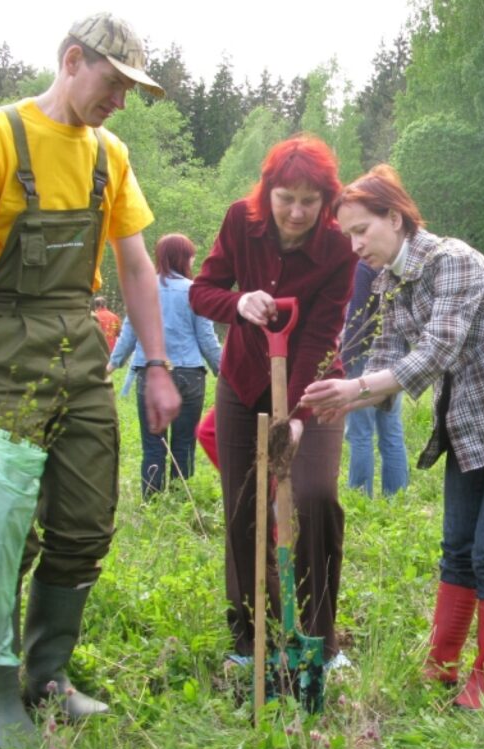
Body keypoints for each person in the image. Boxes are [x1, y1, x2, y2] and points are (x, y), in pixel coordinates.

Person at [0, 13, 180, 749]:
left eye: (132, 91)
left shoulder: (110, 155)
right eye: (114, 83)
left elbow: (134, 264)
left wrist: (158, 366)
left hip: (77, 343)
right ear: (73, 61)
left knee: (85, 520)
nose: (121, 102)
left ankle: (48, 677)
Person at [301, 165, 484, 709]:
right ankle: (442, 665)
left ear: (394, 218)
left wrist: (356, 389)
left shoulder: (454, 263)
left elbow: (434, 353)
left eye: (360, 231)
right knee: (455, 550)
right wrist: (345, 397)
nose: (354, 247)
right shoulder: (393, 281)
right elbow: (389, 357)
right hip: (466, 429)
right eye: (347, 236)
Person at [189, 135, 357, 672]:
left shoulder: (338, 244)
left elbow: (323, 332)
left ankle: (318, 641)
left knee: (313, 497)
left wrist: (301, 414)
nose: (298, 211)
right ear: (269, 191)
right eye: (287, 197)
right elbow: (203, 289)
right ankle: (250, 638)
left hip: (313, 382)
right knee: (244, 506)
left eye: (310, 200)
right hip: (242, 381)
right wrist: (238, 302)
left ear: (326, 200)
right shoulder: (242, 220)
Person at [108, 234, 221, 498]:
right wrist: (222, 370)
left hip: (150, 372)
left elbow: (129, 332)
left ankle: (152, 500)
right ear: (184, 257)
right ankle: (182, 498)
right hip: (190, 375)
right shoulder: (194, 291)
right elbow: (206, 338)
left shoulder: (143, 289)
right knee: (184, 443)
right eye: (191, 254)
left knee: (152, 443)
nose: (193, 259)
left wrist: (112, 364)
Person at [341, 260, 410, 497]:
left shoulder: (364, 267)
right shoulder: (394, 265)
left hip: (364, 357)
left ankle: (360, 495)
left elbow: (355, 320)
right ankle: (397, 496)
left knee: (360, 432)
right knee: (391, 431)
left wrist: (345, 363)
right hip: (394, 358)